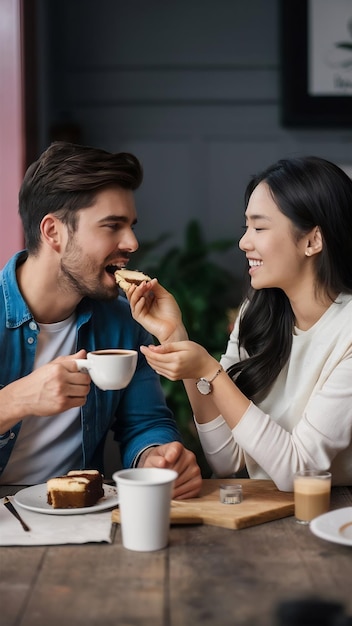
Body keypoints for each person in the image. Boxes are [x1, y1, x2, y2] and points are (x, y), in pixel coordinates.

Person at [126, 155, 352, 492]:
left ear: (312, 241)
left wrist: (209, 370)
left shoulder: (346, 332)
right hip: (263, 518)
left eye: (259, 228)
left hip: (331, 519)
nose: (244, 242)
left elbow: (300, 472)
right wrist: (176, 336)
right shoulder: (258, 312)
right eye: (246, 227)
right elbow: (227, 460)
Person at [0, 141, 202, 499]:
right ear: (53, 232)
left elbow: (145, 422)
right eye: (112, 226)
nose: (132, 242)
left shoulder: (124, 322)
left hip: (78, 516)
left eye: (131, 226)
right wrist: (16, 401)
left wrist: (157, 458)